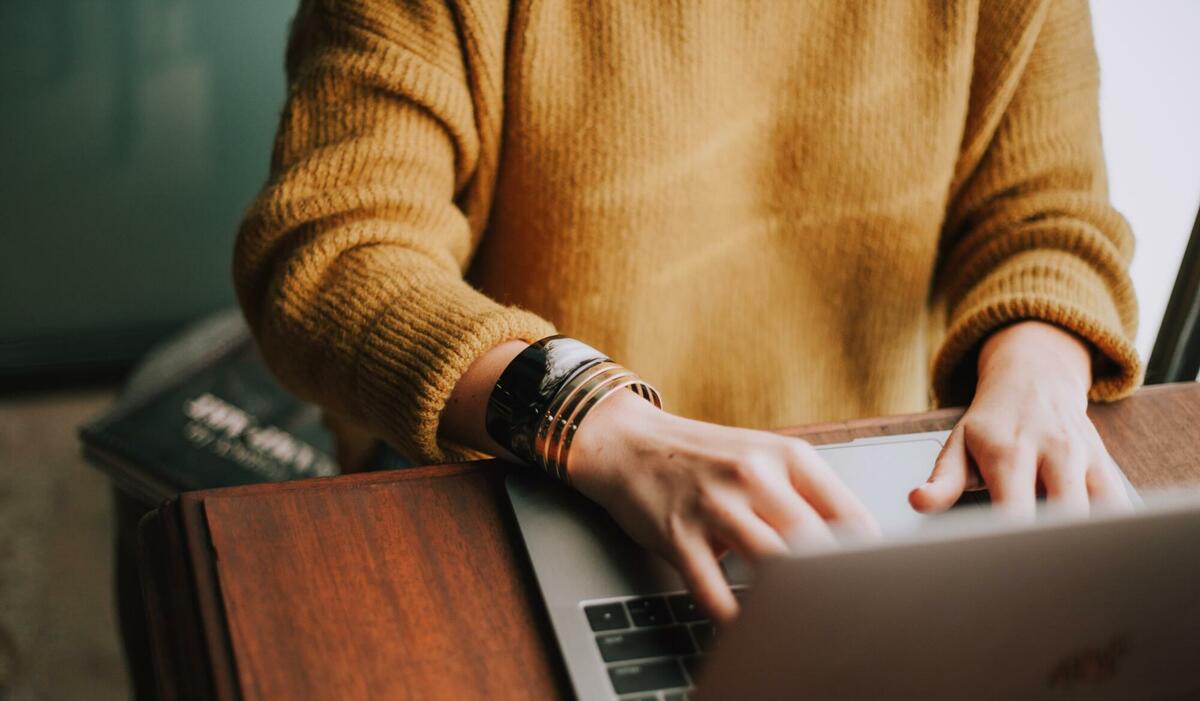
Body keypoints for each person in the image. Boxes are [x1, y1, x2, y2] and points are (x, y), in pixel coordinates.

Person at [234, 0, 1140, 622]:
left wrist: (1040, 365)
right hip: (519, 475)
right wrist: (593, 418)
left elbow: (1048, 217)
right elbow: (331, 249)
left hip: (859, 505)